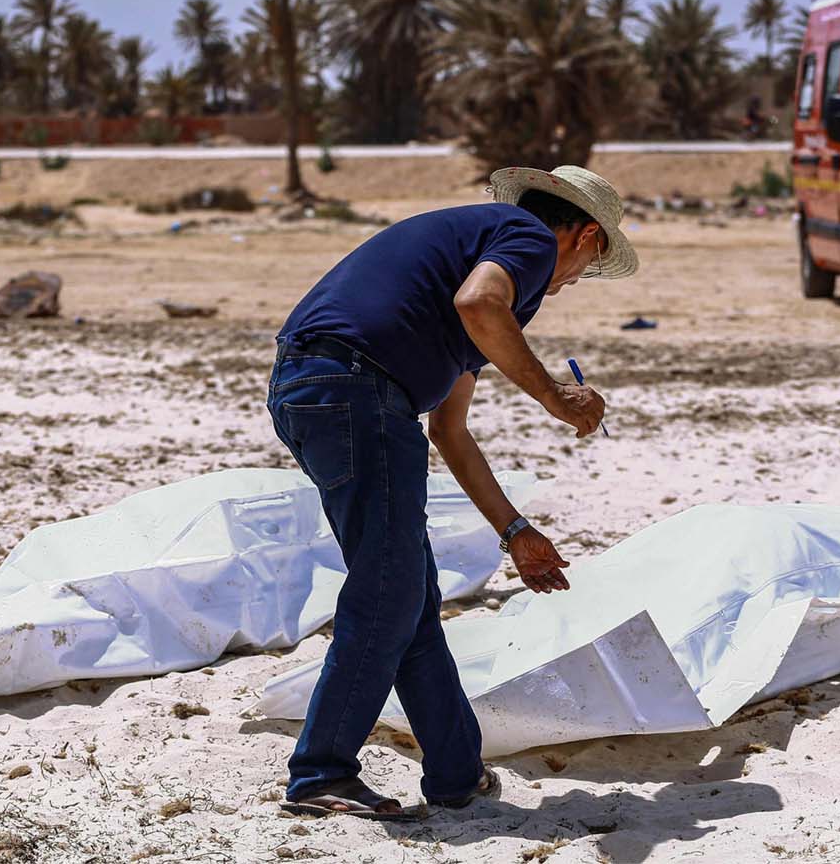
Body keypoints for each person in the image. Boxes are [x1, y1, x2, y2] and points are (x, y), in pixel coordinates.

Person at [267, 164, 639, 817]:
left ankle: (455, 774)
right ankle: (321, 772)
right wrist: (556, 396)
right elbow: (479, 304)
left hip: (322, 390)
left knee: (408, 593)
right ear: (583, 236)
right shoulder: (523, 238)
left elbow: (451, 428)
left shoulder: (481, 257)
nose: (572, 284)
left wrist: (516, 532)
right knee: (389, 592)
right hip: (356, 391)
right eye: (586, 267)